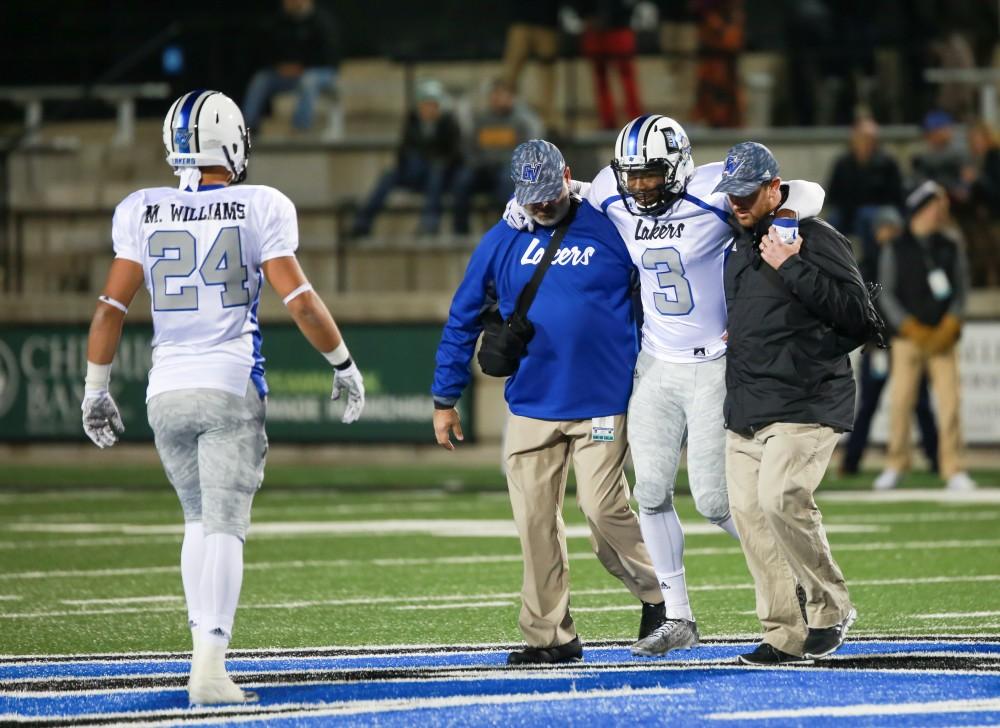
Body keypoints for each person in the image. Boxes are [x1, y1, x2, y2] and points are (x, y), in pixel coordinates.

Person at [80, 90, 365, 704]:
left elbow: (110, 309)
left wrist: (95, 389)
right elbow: (302, 302)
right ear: (232, 142)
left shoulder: (140, 207)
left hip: (166, 391)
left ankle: (201, 655)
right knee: (226, 526)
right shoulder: (261, 203)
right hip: (228, 382)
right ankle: (210, 667)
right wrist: (342, 362)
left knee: (196, 520)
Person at [505, 115, 826, 657]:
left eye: (651, 175)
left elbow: (807, 190)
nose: (640, 186)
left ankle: (795, 577)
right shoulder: (612, 189)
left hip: (713, 363)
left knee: (715, 501)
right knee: (649, 493)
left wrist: (789, 217)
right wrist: (517, 206)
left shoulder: (708, 190)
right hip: (655, 363)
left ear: (677, 166)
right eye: (632, 175)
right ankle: (677, 616)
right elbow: (576, 190)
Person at [433, 139, 666, 665]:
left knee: (604, 510)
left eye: (548, 191)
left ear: (568, 175)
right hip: (532, 404)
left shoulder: (612, 224)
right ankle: (550, 638)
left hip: (604, 401)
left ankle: (660, 595)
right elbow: (463, 315)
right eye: (530, 196)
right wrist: (445, 396)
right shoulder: (503, 239)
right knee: (535, 525)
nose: (540, 204)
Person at [718, 141, 880, 666]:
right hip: (747, 406)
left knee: (780, 497)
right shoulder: (737, 247)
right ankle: (783, 633)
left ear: (773, 188)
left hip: (806, 399)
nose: (737, 203)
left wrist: (793, 267)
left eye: (747, 194)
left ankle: (830, 608)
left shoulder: (816, 239)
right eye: (732, 195)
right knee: (749, 514)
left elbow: (861, 318)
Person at [874, 181, 976, 492]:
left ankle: (953, 467)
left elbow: (961, 288)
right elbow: (886, 293)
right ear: (919, 210)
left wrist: (951, 322)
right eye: (934, 206)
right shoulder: (895, 246)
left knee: (950, 403)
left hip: (943, 337)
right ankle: (895, 463)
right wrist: (908, 326)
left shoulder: (951, 243)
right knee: (901, 402)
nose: (940, 212)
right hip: (908, 339)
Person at [840, 206, 939, 477]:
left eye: (892, 229)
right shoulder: (865, 265)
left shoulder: (905, 260)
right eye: (885, 229)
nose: (888, 234)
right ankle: (851, 462)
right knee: (870, 405)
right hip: (880, 346)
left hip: (905, 341)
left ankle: (936, 458)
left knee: (920, 403)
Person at [351, 80, 463, 237]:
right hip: (414, 171)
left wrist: (433, 159)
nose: (428, 109)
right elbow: (403, 151)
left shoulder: (448, 123)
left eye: (432, 105)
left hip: (439, 175)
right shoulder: (412, 122)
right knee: (388, 176)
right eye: (424, 105)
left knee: (435, 171)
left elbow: (454, 155)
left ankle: (430, 224)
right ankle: (363, 222)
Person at [451, 79, 542, 235]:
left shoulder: (520, 122)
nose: (498, 99)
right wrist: (478, 163)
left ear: (511, 98)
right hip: (483, 169)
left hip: (509, 171)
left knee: (506, 180)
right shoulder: (481, 121)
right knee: (462, 180)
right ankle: (460, 232)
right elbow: (469, 149)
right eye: (495, 95)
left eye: (502, 95)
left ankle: (508, 230)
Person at [242, 0, 341, 136]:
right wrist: (279, 65)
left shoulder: (321, 20)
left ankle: (300, 128)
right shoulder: (281, 21)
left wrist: (303, 66)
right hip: (289, 73)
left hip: (320, 72)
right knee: (261, 79)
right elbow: (268, 50)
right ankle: (248, 126)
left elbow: (330, 56)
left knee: (308, 80)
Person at [826, 118, 904, 246]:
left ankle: (870, 261)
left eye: (870, 138)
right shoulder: (842, 163)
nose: (866, 142)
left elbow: (896, 195)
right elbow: (833, 193)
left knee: (866, 216)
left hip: (878, 209)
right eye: (862, 137)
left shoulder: (887, 162)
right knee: (832, 220)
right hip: (848, 211)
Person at [577, 0, 643, 129]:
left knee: (627, 76)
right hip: (595, 29)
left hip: (620, 27)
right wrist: (586, 15)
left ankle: (636, 120)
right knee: (601, 78)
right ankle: (608, 121)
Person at [501, 0, 562, 134]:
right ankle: (502, 114)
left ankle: (548, 122)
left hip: (547, 21)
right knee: (510, 73)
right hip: (521, 20)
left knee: (547, 74)